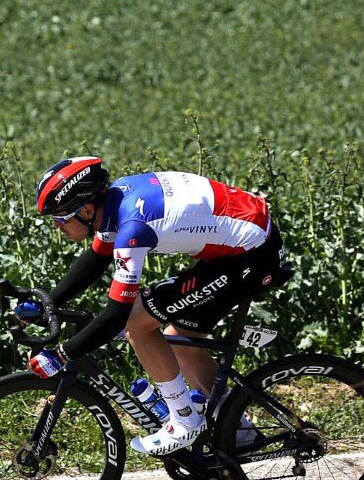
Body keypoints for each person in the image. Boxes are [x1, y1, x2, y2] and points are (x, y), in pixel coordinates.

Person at [23, 155, 288, 456]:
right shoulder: (116, 200)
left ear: (85, 210)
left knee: (136, 324)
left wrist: (61, 355)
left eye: (60, 218)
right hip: (246, 244)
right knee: (180, 341)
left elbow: (115, 316)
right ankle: (238, 430)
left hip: (251, 256)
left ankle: (184, 420)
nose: (57, 226)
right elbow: (96, 258)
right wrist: (49, 302)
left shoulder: (133, 229)